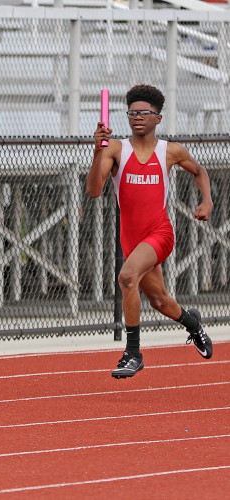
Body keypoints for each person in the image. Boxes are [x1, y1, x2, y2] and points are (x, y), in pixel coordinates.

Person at [87, 84, 214, 379]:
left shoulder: (170, 151)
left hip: (159, 233)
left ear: (158, 118)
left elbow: (199, 171)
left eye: (144, 112)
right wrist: (97, 152)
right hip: (131, 240)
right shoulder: (115, 149)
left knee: (127, 277)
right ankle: (192, 323)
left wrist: (207, 200)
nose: (137, 117)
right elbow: (94, 191)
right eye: (132, 113)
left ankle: (133, 353)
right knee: (159, 301)